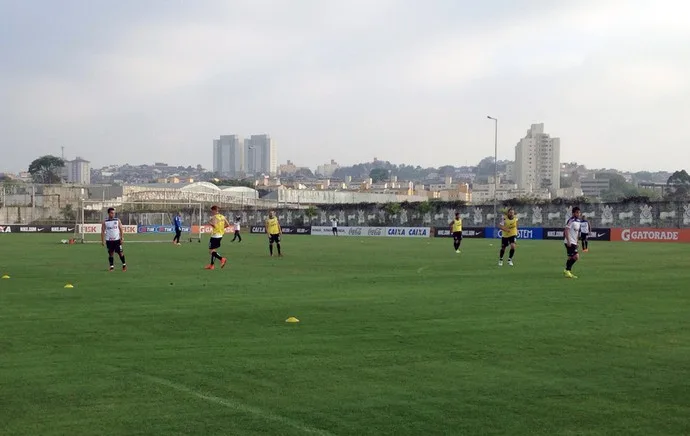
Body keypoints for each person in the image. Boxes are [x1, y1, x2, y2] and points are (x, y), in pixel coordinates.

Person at [101, 207, 127, 272]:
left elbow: (121, 229)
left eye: (114, 213)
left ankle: (124, 265)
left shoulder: (117, 220)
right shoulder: (105, 222)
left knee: (120, 253)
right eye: (112, 213)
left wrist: (122, 238)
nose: (113, 214)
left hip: (117, 240)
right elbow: (102, 231)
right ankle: (111, 267)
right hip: (109, 241)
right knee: (111, 253)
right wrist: (102, 240)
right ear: (109, 213)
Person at [205, 205, 229, 270]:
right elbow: (228, 224)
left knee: (211, 251)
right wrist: (221, 228)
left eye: (212, 211)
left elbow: (214, 225)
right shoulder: (222, 217)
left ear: (214, 210)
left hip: (215, 235)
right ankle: (211, 265)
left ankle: (222, 259)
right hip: (220, 235)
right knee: (214, 250)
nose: (212, 212)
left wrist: (209, 222)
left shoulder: (214, 217)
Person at [564, 207, 582, 278]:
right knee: (576, 256)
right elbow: (566, 230)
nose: (578, 214)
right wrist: (568, 241)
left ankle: (567, 271)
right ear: (573, 213)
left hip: (574, 242)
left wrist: (577, 242)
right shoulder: (571, 220)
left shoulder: (579, 221)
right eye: (577, 212)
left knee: (570, 257)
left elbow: (577, 232)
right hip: (569, 241)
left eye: (579, 212)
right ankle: (568, 270)